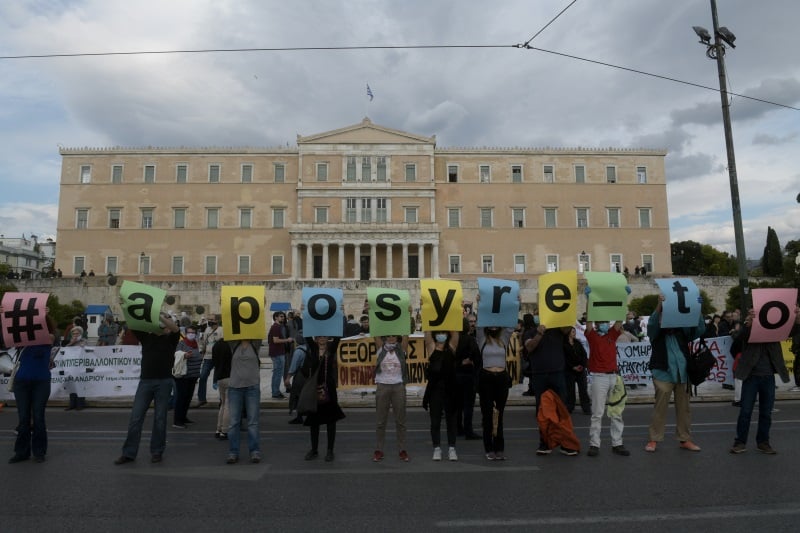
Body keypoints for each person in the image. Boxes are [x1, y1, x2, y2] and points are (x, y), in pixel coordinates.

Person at [730, 306, 800, 454]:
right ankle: (740, 442)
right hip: (751, 376)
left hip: (768, 377)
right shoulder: (749, 327)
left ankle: (763, 442)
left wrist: (796, 317)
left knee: (766, 412)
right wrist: (747, 323)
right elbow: (738, 339)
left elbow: (791, 330)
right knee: (745, 411)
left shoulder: (775, 329)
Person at [115, 312, 180, 464]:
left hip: (164, 382)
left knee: (160, 419)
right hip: (146, 381)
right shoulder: (147, 337)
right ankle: (129, 453)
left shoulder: (171, 338)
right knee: (136, 418)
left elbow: (175, 328)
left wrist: (162, 316)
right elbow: (132, 324)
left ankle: (157, 451)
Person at [644, 294, 705, 453]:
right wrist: (659, 305)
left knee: (684, 408)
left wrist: (698, 310)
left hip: (683, 374)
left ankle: (685, 439)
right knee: (660, 408)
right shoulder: (657, 333)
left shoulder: (682, 330)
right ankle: (654, 439)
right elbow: (651, 325)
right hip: (663, 373)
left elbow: (699, 329)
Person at [8, 312, 57, 464]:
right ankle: (22, 452)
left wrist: (41, 314)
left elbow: (48, 338)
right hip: (22, 382)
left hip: (40, 383)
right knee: (23, 419)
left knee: (38, 417)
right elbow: (6, 338)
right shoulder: (22, 337)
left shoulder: (49, 337)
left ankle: (39, 451)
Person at [525, 321, 574, 456]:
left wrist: (567, 315)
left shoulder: (558, 329)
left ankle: (566, 443)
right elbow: (529, 347)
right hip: (539, 375)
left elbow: (567, 328)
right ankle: (545, 443)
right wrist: (539, 334)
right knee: (542, 411)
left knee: (562, 410)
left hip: (557, 373)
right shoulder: (530, 332)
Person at [585, 321, 630, 457]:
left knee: (617, 412)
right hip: (599, 377)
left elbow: (619, 320)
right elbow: (588, 323)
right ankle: (594, 444)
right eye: (601, 322)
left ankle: (617, 443)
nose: (604, 324)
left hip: (614, 377)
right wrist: (590, 303)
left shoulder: (611, 334)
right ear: (597, 324)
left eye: (606, 322)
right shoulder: (592, 336)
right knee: (597, 413)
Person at [301, 336, 345, 462]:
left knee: (331, 421)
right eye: (319, 336)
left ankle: (330, 450)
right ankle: (314, 450)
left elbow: (338, 336)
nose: (322, 338)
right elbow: (307, 334)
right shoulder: (313, 349)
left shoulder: (331, 349)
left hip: (329, 389)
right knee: (314, 421)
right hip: (315, 389)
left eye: (324, 336)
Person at [476, 323, 513, 461]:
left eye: (496, 324)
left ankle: (499, 448)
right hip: (486, 378)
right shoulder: (482, 338)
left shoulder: (503, 338)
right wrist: (480, 303)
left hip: (501, 379)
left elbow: (510, 325)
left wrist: (516, 303)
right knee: (487, 415)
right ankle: (489, 448)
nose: (493, 326)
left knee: (499, 414)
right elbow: (479, 325)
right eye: (490, 324)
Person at [422, 328, 460, 461]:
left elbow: (455, 331)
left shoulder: (451, 347)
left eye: (443, 332)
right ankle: (436, 448)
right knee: (435, 420)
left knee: (451, 420)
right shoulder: (431, 347)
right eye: (438, 332)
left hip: (450, 389)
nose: (441, 335)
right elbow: (427, 331)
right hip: (435, 390)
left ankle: (452, 448)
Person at [372, 334, 410, 462]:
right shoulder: (380, 348)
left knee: (401, 421)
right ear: (384, 338)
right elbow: (375, 332)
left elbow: (406, 334)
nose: (391, 338)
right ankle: (379, 450)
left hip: (398, 386)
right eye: (388, 336)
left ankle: (402, 450)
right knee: (380, 421)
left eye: (394, 336)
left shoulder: (401, 348)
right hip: (383, 386)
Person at [226, 338, 262, 464]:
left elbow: (259, 326)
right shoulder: (233, 344)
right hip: (235, 387)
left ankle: (254, 451)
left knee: (253, 422)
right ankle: (233, 452)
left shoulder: (255, 343)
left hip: (252, 387)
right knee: (233, 423)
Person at [455, 315, 480, 440]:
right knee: (468, 405)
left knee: (458, 404)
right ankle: (468, 430)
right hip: (468, 375)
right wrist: (470, 360)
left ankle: (458, 428)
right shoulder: (470, 340)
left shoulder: (453, 340)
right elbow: (477, 355)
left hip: (456, 375)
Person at [172, 326, 202, 429]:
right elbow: (176, 354)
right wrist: (184, 355)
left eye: (193, 332)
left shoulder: (196, 344)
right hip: (183, 376)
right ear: (185, 333)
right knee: (181, 397)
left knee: (188, 398)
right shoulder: (182, 343)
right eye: (189, 332)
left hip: (193, 375)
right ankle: (177, 420)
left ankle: (183, 417)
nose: (191, 334)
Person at [564, 326, 591, 415]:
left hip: (580, 370)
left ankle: (586, 408)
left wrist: (582, 365)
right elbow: (564, 358)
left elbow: (584, 354)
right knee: (570, 390)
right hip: (569, 371)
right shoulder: (564, 344)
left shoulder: (577, 343)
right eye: (572, 332)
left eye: (574, 331)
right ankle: (569, 407)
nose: (574, 333)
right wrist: (572, 367)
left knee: (583, 389)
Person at [197, 315, 223, 407]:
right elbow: (203, 342)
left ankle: (222, 399)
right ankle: (201, 398)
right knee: (203, 376)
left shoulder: (221, 330)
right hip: (208, 357)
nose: (210, 321)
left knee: (220, 379)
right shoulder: (207, 330)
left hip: (219, 357)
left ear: (217, 320)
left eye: (211, 320)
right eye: (209, 320)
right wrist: (201, 351)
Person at [211, 334, 232, 440]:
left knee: (223, 404)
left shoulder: (216, 345)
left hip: (219, 378)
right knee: (228, 405)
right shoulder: (230, 346)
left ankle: (218, 429)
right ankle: (225, 430)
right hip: (229, 377)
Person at [267, 311, 293, 399]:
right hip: (277, 353)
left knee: (277, 373)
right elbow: (275, 340)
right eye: (281, 316)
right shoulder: (276, 327)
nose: (283, 318)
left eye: (283, 316)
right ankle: (275, 393)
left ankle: (275, 391)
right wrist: (287, 340)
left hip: (278, 353)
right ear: (276, 318)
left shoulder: (277, 327)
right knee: (277, 373)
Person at [287, 332, 308, 424]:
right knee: (306, 396)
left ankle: (299, 417)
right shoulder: (308, 348)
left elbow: (293, 366)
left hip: (300, 376)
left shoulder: (298, 351)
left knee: (297, 396)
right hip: (308, 376)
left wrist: (288, 378)